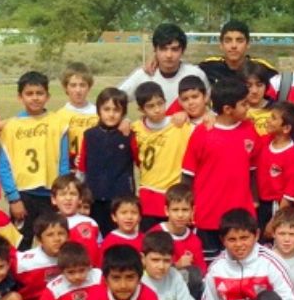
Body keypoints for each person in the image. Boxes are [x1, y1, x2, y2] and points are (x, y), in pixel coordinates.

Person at [182, 78, 260, 262]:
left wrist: (255, 199)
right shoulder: (203, 132)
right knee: (208, 271)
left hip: (241, 217)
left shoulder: (249, 129)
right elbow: (187, 175)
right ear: (227, 109)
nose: (248, 107)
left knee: (242, 269)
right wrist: (188, 208)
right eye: (243, 104)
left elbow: (253, 169)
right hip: (208, 216)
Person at [0, 71, 69, 251]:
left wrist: (62, 194)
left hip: (50, 195)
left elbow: (63, 163)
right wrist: (13, 198)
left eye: (39, 93)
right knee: (20, 244)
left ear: (48, 96)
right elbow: (4, 166)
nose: (35, 98)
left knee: (54, 242)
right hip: (23, 195)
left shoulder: (58, 122)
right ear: (20, 97)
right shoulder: (11, 127)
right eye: (29, 94)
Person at [131, 81, 193, 230]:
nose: (157, 109)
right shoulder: (135, 129)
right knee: (151, 243)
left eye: (160, 103)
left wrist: (208, 115)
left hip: (175, 197)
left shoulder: (181, 125)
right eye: (150, 106)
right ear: (141, 109)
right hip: (148, 194)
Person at [76, 87, 134, 234]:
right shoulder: (89, 135)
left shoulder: (129, 135)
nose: (111, 114)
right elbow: (82, 167)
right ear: (99, 110)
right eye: (106, 109)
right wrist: (80, 194)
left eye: (116, 110)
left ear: (123, 112)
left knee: (118, 238)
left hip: (119, 199)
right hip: (93, 198)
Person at [120, 23, 209, 114]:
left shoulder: (196, 74)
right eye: (163, 49)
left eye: (174, 49)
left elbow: (208, 106)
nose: (169, 55)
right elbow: (114, 100)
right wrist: (123, 121)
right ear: (155, 50)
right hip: (154, 128)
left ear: (183, 50)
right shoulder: (143, 75)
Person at [13, 212, 68, 300]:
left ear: (68, 235)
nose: (57, 239)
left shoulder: (74, 257)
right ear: (39, 240)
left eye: (61, 233)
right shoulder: (24, 261)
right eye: (50, 235)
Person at [147, 184, 206, 300]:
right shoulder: (155, 234)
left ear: (192, 211)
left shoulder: (194, 239)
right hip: (158, 288)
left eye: (185, 210)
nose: (180, 215)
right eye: (175, 210)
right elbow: (147, 267)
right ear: (166, 211)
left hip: (185, 292)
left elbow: (201, 271)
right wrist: (176, 265)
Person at [255, 101, 294, 237]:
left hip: (276, 207)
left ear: (286, 128)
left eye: (273, 118)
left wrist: (274, 222)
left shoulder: (292, 155)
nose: (268, 121)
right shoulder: (264, 141)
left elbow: (289, 195)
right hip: (261, 203)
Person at [198, 20, 278, 85]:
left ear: (248, 44)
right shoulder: (207, 67)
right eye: (228, 41)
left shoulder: (263, 69)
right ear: (221, 44)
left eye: (239, 41)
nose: (234, 46)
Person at [50, 174, 100, 266]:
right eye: (63, 194)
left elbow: (96, 253)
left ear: (80, 199)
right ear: (53, 199)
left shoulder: (91, 223)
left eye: (73, 194)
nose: (68, 198)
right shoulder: (49, 224)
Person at [57, 62, 98, 165]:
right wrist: (72, 160)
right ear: (65, 87)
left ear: (89, 86)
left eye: (82, 85)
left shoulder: (99, 113)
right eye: (73, 85)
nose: (78, 90)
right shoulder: (59, 116)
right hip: (71, 173)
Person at [242, 61, 274, 135]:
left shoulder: (277, 111)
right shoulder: (234, 112)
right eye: (248, 86)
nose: (254, 91)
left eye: (259, 85)